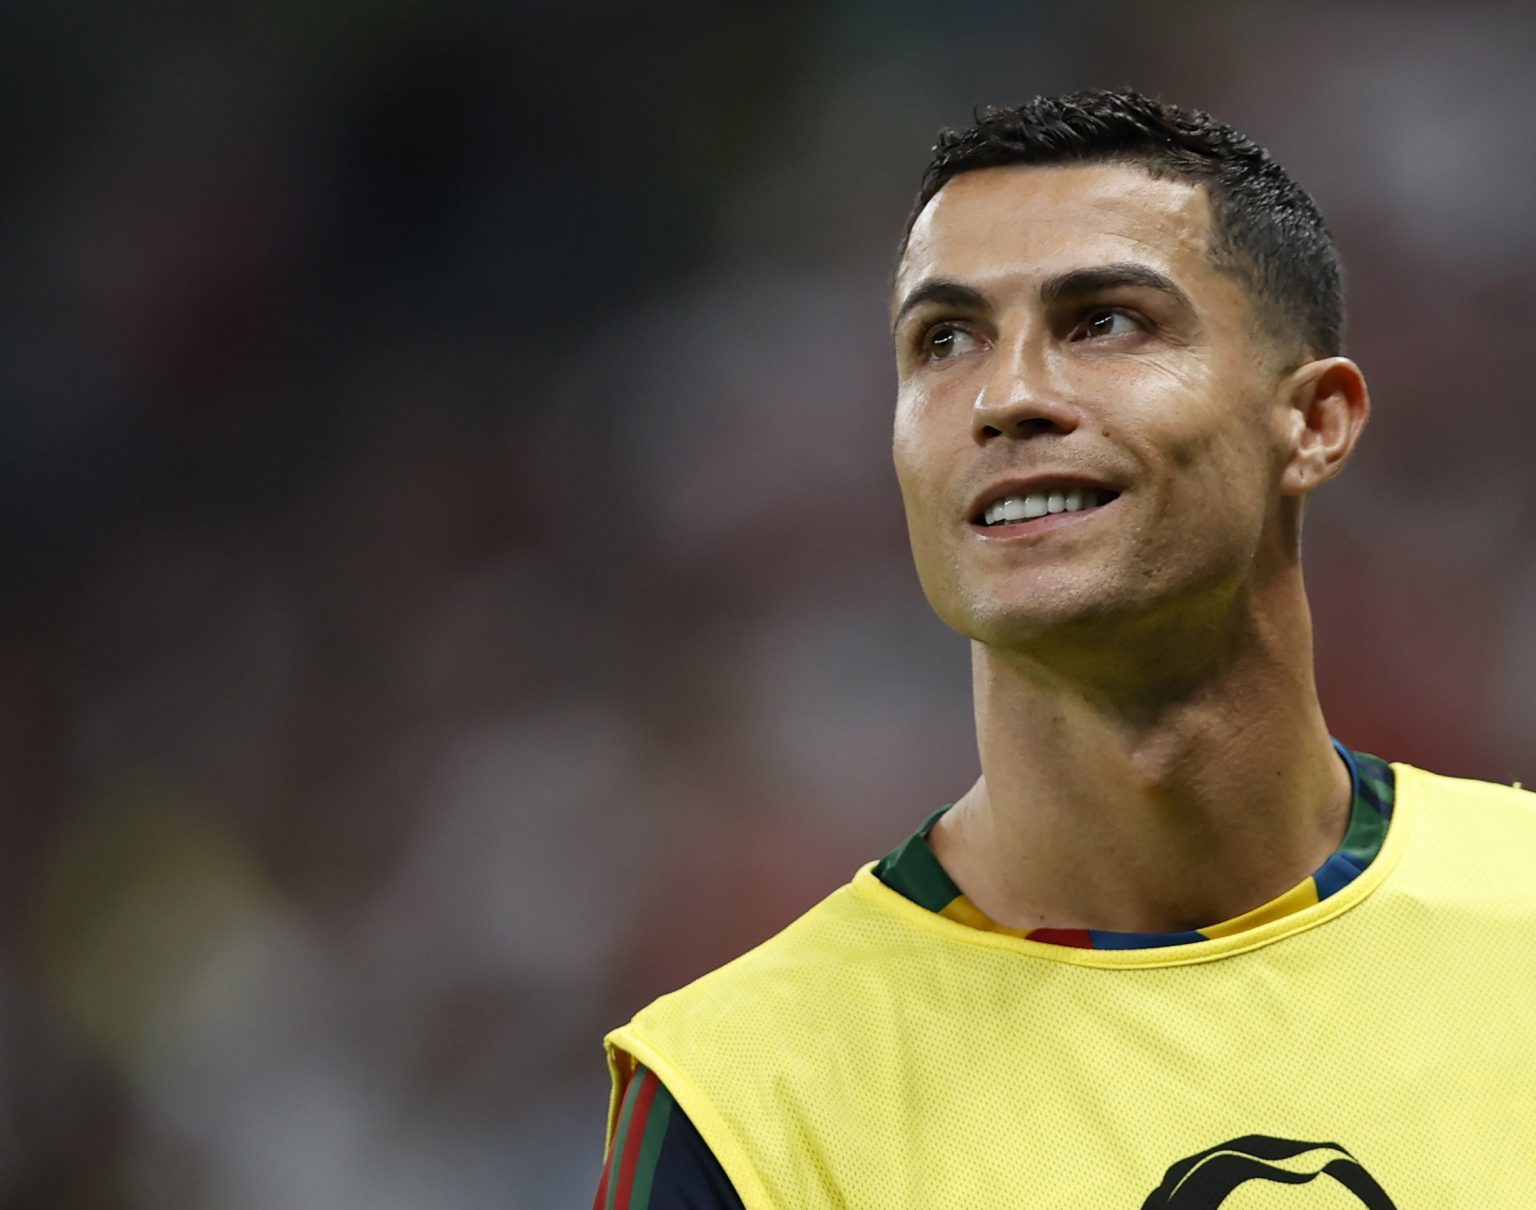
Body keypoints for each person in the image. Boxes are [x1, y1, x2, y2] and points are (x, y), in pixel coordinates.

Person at [592, 89, 1536, 1208]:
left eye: (1105, 322)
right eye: (945, 341)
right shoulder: (745, 1099)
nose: (1007, 398)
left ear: (1313, 421)